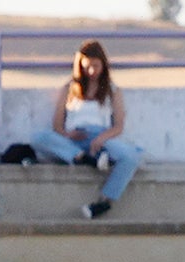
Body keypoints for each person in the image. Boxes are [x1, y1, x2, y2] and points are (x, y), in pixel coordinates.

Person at [30, 40, 141, 221]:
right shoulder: (69, 88)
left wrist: (101, 138)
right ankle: (83, 158)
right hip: (74, 139)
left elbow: (118, 126)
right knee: (38, 138)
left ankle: (105, 201)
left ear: (103, 65)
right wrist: (67, 134)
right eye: (87, 66)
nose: (91, 71)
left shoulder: (112, 90)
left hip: (101, 138)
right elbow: (57, 125)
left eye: (95, 66)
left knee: (130, 156)